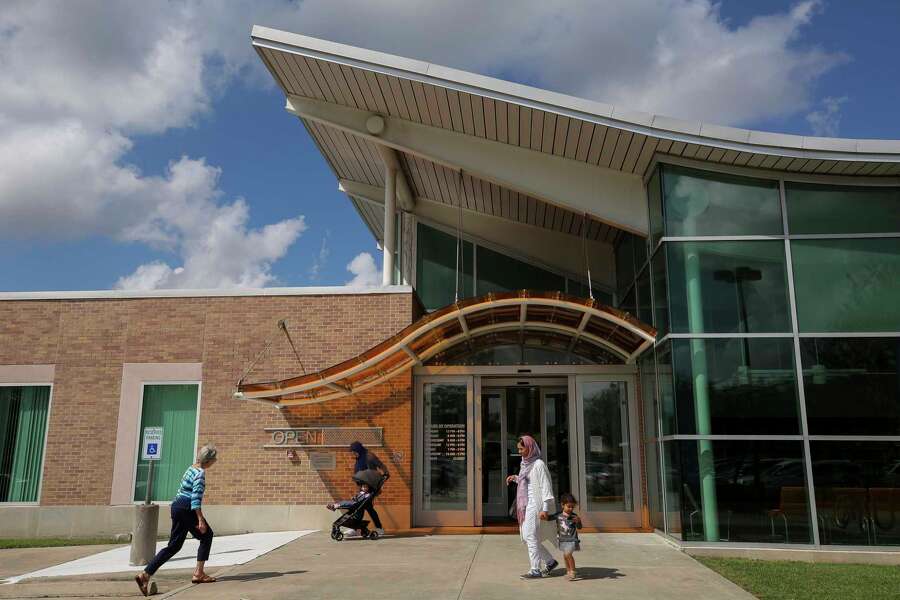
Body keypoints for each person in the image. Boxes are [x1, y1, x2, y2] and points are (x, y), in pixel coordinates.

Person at [134, 444, 218, 597]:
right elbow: (195, 498)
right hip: (187, 508)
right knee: (206, 535)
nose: (215, 462)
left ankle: (145, 575)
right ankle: (199, 573)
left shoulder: (190, 468)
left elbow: (182, 490)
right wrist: (200, 520)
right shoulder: (200, 473)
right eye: (214, 459)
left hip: (177, 506)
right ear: (209, 460)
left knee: (174, 546)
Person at [506, 435, 558, 579]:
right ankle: (550, 561)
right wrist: (515, 478)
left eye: (522, 449)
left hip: (536, 505)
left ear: (530, 448)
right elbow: (527, 482)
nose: (520, 451)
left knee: (530, 536)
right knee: (526, 537)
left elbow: (546, 487)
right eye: (519, 449)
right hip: (525, 505)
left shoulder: (539, 464)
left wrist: (545, 509)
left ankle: (535, 569)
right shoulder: (525, 463)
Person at [348, 441, 389, 537]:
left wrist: (386, 474)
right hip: (362, 487)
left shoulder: (369, 456)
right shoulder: (359, 458)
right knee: (362, 507)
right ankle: (358, 528)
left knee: (366, 507)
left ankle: (378, 528)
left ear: (358, 450)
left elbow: (381, 465)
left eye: (354, 451)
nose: (353, 453)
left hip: (370, 487)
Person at [548, 492, 583, 581]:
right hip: (563, 540)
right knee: (565, 556)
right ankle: (568, 571)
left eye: (572, 507)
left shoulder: (574, 516)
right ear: (562, 505)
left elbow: (580, 527)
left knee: (568, 554)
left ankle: (573, 571)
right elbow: (549, 518)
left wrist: (578, 521)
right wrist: (543, 516)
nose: (571, 509)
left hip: (572, 540)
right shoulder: (558, 515)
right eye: (569, 506)